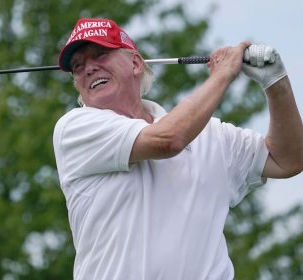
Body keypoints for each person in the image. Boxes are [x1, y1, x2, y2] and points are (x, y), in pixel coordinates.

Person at [53, 18, 303, 280]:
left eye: (100, 55)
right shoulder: (75, 128)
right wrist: (223, 75)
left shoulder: (210, 134)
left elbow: (288, 160)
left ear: (136, 63)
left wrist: (276, 83)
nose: (88, 69)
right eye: (77, 66)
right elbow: (169, 139)